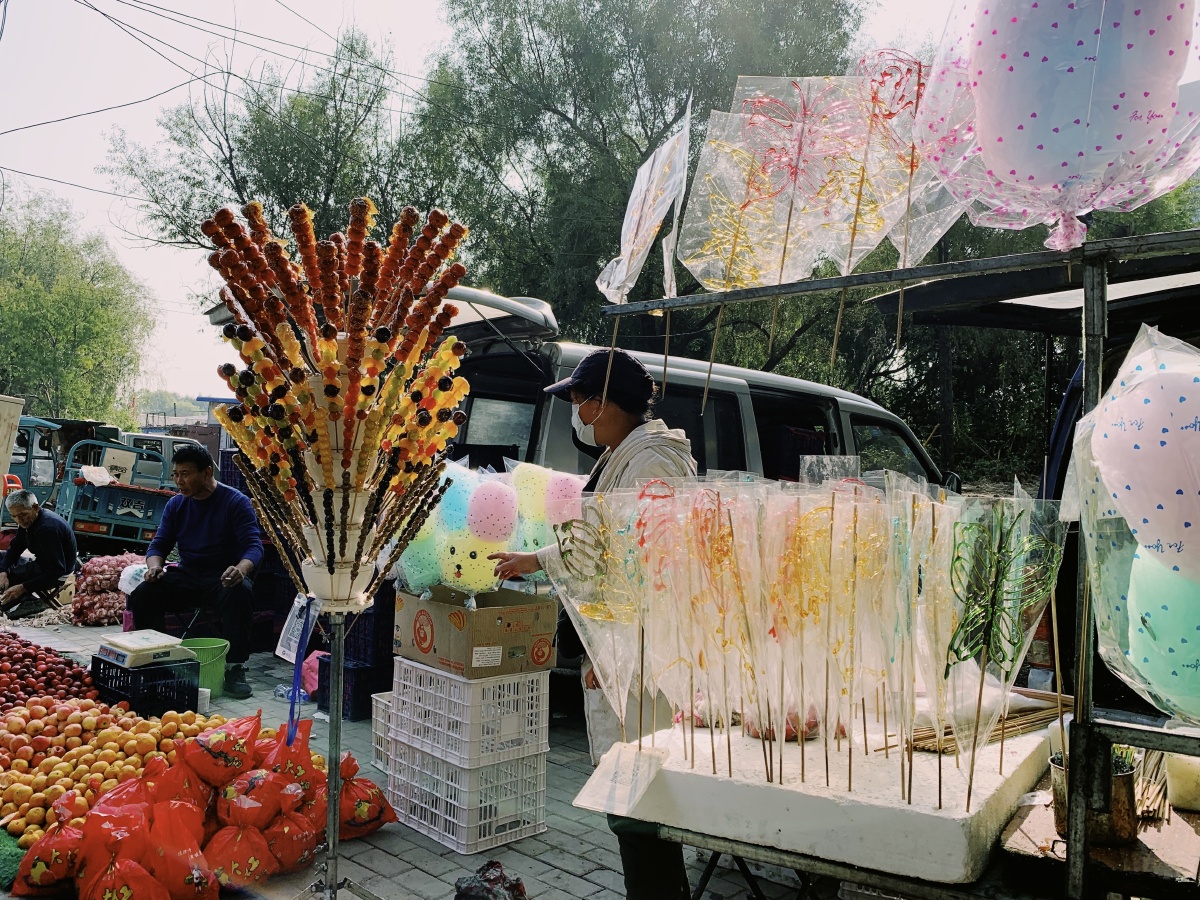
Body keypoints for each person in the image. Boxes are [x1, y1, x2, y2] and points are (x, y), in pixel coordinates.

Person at [489, 347, 697, 900]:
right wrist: (538, 559)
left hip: (640, 655)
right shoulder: (623, 456)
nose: (577, 414)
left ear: (604, 404)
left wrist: (616, 656)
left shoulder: (652, 464)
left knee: (641, 798)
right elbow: (596, 541)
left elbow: (643, 569)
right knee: (630, 796)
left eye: (580, 402)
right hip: (621, 652)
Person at [127, 444, 262, 700]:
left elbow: (253, 546)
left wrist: (241, 569)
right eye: (176, 474)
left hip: (222, 578)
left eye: (185, 474)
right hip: (188, 575)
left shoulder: (236, 502)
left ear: (207, 472)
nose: (179, 481)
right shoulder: (176, 505)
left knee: (240, 592)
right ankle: (155, 663)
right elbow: (159, 544)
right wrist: (154, 568)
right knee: (144, 594)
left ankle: (234, 668)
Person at [0, 490, 78, 609]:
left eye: (22, 515)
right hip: (44, 562)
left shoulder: (47, 529)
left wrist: (23, 587)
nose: (18, 520)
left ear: (35, 507)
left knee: (13, 578)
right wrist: (3, 571)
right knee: (3, 562)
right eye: (13, 516)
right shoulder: (26, 522)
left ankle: (29, 601)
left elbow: (57, 569)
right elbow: (16, 547)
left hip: (57, 572)